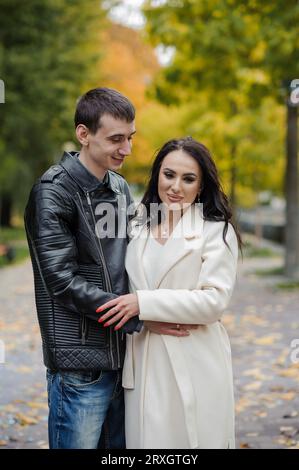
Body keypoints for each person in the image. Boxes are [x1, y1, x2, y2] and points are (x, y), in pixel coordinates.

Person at [97, 137, 242, 449]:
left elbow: (213, 301)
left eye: (188, 179)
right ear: (157, 176)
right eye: (169, 175)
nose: (176, 186)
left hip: (194, 357)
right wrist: (142, 317)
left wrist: (143, 304)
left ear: (201, 186)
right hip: (144, 355)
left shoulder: (216, 231)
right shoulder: (139, 228)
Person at [25, 87, 143, 449]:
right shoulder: (53, 191)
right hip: (79, 367)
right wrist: (134, 314)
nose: (126, 149)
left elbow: (137, 255)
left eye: (130, 138)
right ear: (84, 134)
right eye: (116, 139)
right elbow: (61, 280)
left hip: (123, 360)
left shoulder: (120, 187)